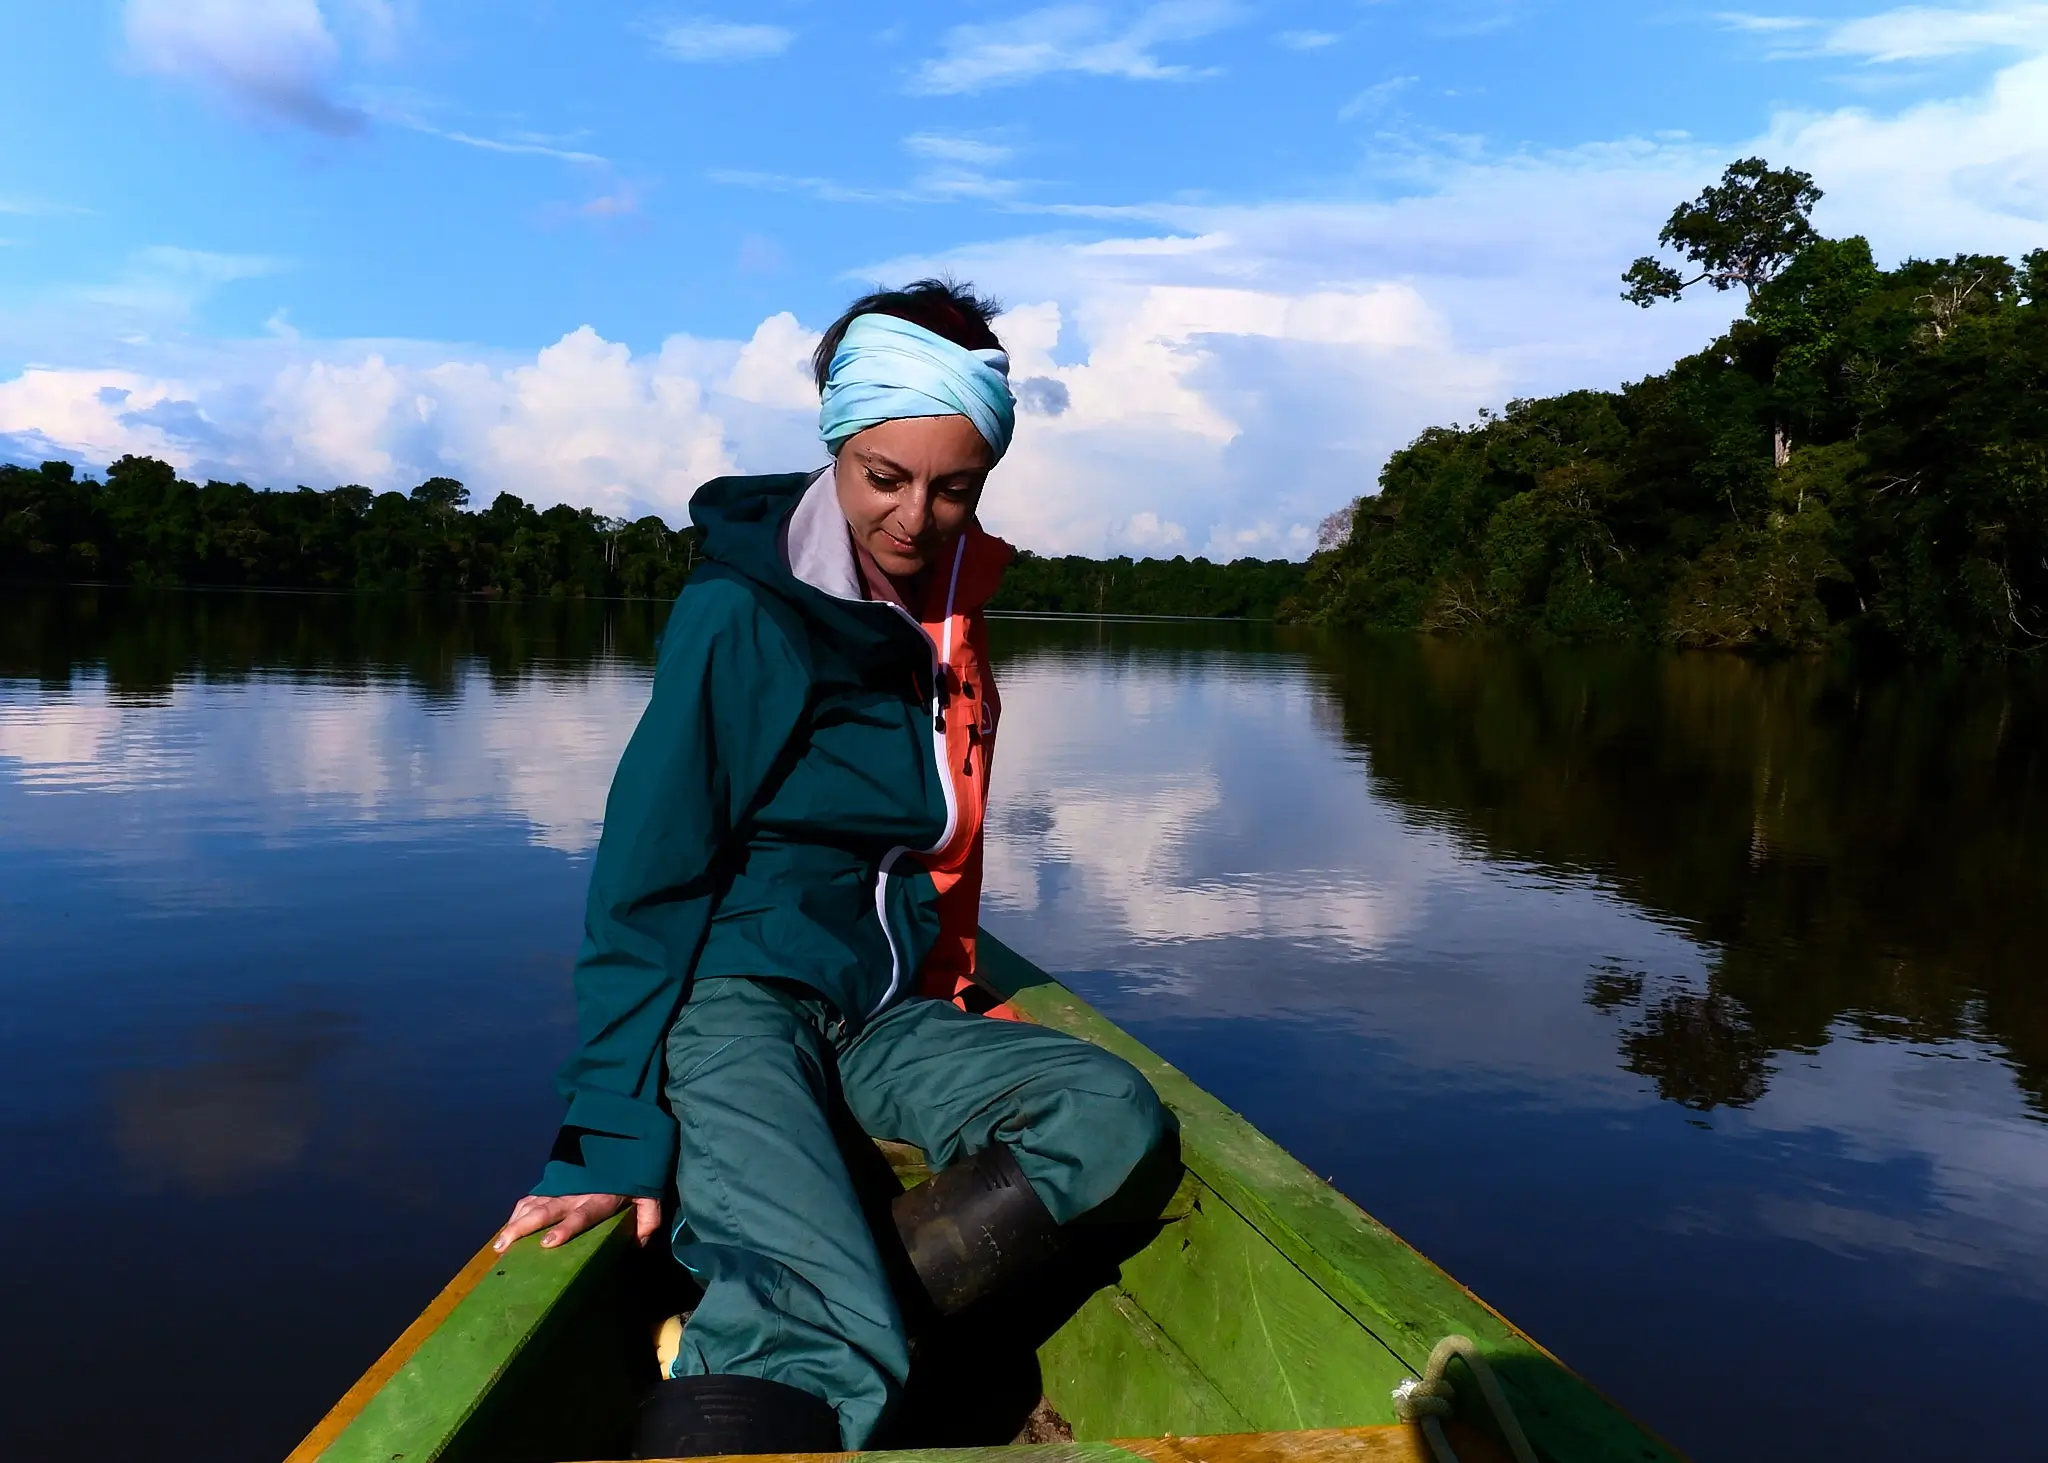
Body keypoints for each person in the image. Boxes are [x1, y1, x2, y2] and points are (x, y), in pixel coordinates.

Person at [491, 279, 1178, 1458]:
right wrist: (606, 1126)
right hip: (740, 1003)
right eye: (883, 476)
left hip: (878, 1011)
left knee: (1109, 1114)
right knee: (817, 1335)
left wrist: (949, 980)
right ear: (835, 441)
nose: (914, 515)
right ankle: (795, 1350)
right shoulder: (744, 615)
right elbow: (645, 879)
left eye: (951, 486)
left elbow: (926, 848)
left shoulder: (941, 621)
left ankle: (841, 1305)